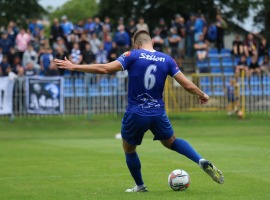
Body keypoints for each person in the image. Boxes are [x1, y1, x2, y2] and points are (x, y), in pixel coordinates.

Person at [54, 30, 224, 192]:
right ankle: (200, 160)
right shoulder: (167, 59)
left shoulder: (132, 55)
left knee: (129, 149)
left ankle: (140, 186)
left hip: (136, 112)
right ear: (151, 42)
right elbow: (187, 84)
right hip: (158, 113)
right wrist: (202, 94)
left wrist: (74, 66)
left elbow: (104, 69)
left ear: (136, 44)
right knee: (171, 141)